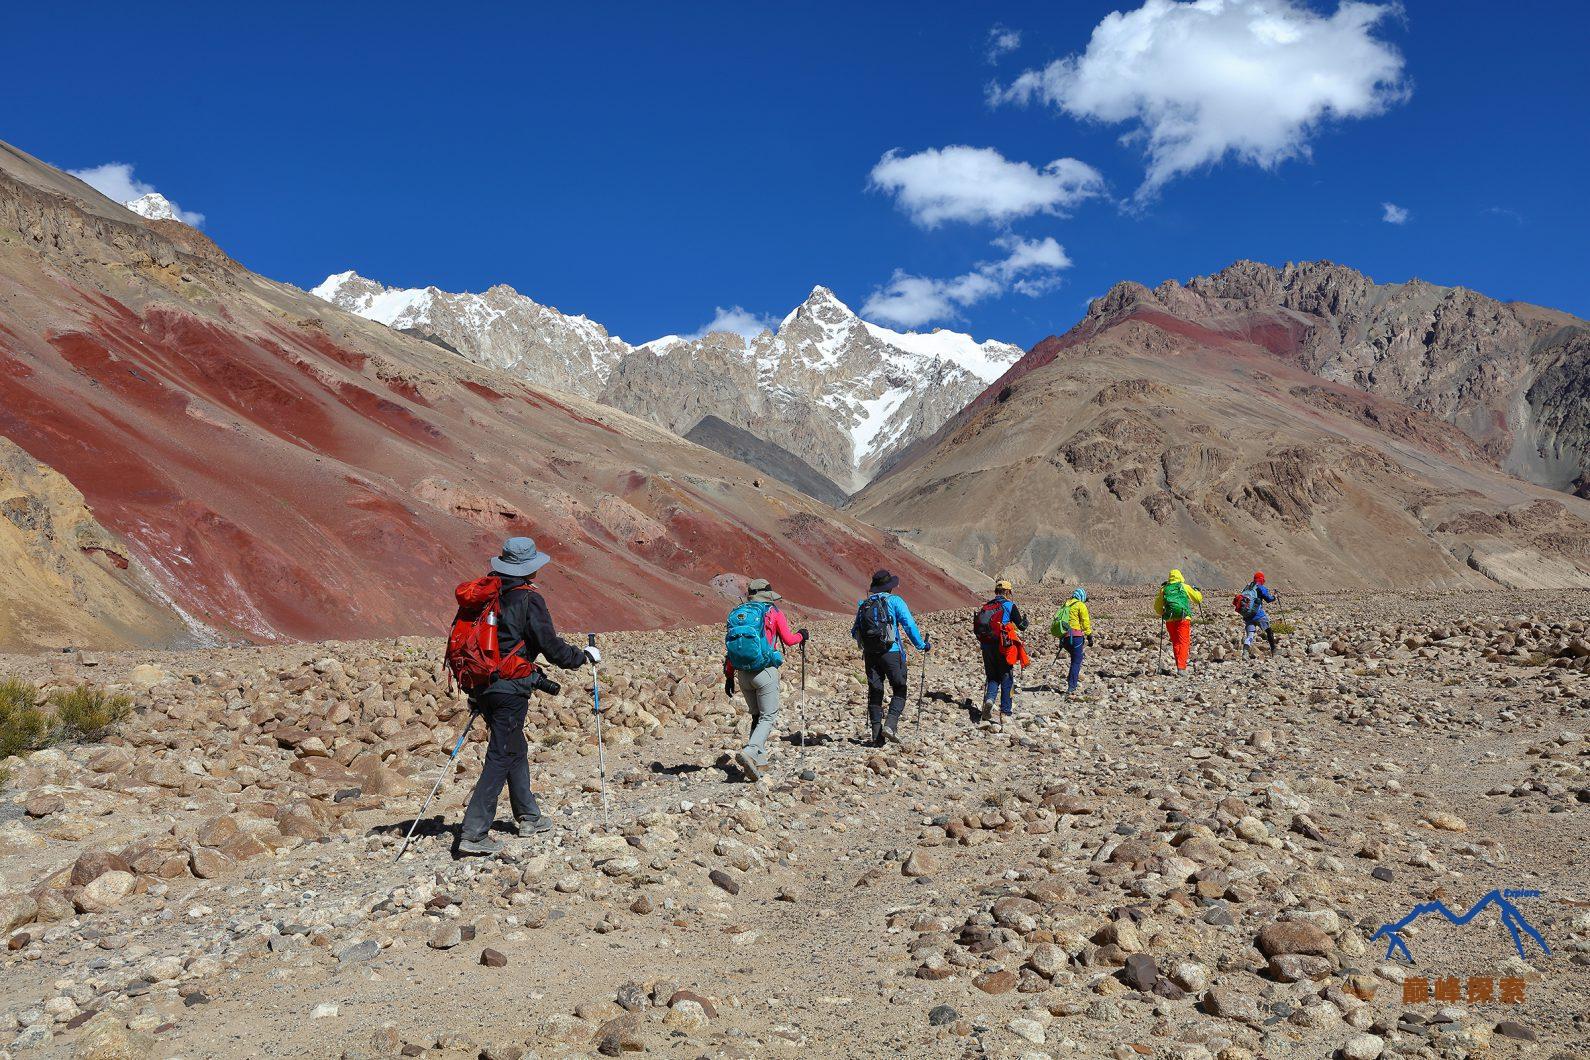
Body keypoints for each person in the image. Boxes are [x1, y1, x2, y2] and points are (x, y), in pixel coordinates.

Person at [459, 537, 597, 856]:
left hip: (482, 683)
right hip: (510, 686)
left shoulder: (487, 595)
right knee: (501, 753)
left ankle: (529, 816)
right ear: (529, 569)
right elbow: (550, 646)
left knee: (513, 745)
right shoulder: (528, 599)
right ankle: (474, 832)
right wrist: (583, 657)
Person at [723, 578, 807, 781]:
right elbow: (788, 639)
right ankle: (751, 751)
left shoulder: (739, 614)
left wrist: (729, 677)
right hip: (765, 671)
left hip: (742, 674)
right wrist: (802, 636)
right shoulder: (773, 612)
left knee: (755, 716)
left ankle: (759, 764)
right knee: (768, 716)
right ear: (768, 595)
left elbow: (734, 649)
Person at [850, 569, 930, 746]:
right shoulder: (894, 601)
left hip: (870, 655)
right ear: (890, 587)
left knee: (875, 691)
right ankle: (891, 725)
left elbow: (854, 631)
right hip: (891, 652)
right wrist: (921, 645)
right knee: (900, 688)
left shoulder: (864, 604)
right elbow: (909, 624)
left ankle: (877, 736)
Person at [973, 579, 1028, 725]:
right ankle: (1005, 712)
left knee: (992, 676)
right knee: (1006, 677)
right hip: (1003, 646)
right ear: (1008, 592)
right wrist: (1025, 622)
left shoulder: (987, 606)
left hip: (986, 645)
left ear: (996, 591)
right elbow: (1021, 626)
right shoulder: (1010, 605)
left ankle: (990, 700)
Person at [1154, 569, 1204, 673]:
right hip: (1183, 618)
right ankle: (1181, 668)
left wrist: (1162, 612)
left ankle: (1179, 665)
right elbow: (1197, 599)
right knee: (1184, 643)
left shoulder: (1164, 589)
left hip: (1170, 619)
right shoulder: (1184, 586)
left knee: (1176, 643)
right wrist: (1197, 591)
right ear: (1180, 576)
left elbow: (1157, 607)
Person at [1052, 587, 1093, 695]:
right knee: (1076, 661)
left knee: (1074, 658)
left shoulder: (1065, 605)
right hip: (1076, 637)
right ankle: (1071, 687)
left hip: (1064, 638)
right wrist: (1089, 636)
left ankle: (1071, 681)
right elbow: (1085, 622)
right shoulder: (1080, 605)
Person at [1240, 571, 1279, 657]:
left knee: (1250, 635)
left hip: (1248, 616)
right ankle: (1274, 651)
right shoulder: (1260, 587)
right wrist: (1275, 596)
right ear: (1261, 579)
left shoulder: (1247, 588)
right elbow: (1269, 599)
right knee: (1269, 631)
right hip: (1259, 615)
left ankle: (1245, 653)